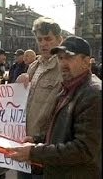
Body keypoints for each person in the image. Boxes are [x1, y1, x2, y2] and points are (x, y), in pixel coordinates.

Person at [7, 36, 102, 179]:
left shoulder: (93, 94)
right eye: (60, 58)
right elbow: (59, 131)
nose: (63, 63)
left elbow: (83, 149)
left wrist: (34, 152)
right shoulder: (68, 88)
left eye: (69, 58)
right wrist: (36, 139)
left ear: (86, 62)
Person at [15, 17, 64, 178]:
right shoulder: (33, 66)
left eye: (48, 39)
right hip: (23, 145)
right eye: (40, 39)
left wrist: (41, 139)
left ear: (59, 39)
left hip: (44, 148)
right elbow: (20, 102)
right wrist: (17, 86)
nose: (43, 43)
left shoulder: (64, 68)